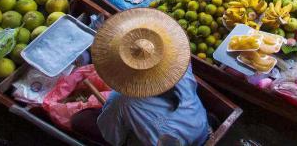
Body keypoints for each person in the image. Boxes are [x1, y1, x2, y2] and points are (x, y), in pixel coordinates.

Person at [72, 8, 210, 146]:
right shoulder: (179, 61)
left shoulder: (120, 101)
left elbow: (114, 138)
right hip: (201, 130)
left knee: (79, 121)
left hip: (185, 139)